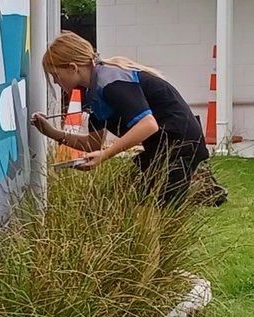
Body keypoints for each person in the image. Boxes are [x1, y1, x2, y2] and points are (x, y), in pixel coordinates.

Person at [30, 31, 224, 206]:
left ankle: (197, 182)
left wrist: (105, 156)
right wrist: (50, 132)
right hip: (160, 146)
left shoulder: (111, 82)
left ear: (73, 68)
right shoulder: (92, 92)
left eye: (56, 75)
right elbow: (92, 144)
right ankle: (199, 182)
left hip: (179, 143)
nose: (56, 82)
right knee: (122, 198)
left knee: (146, 211)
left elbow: (148, 125)